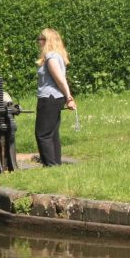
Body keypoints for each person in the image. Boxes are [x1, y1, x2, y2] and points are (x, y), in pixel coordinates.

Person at [35, 28, 76, 166]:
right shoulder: (57, 56)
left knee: (43, 134)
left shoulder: (51, 57)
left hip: (49, 98)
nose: (38, 42)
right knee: (52, 133)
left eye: (40, 39)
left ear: (48, 41)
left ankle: (50, 165)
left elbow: (60, 79)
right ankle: (55, 164)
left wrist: (69, 97)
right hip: (55, 98)